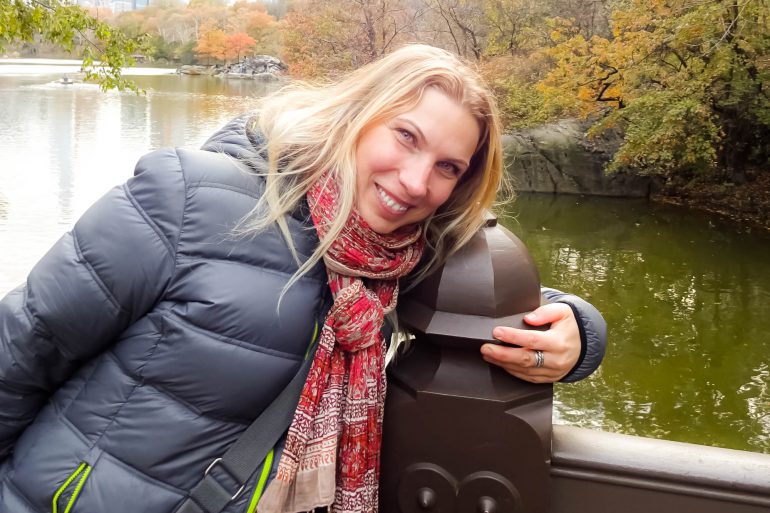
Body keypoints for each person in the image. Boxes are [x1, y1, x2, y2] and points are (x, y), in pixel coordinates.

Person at [0, 44, 605, 513]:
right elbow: (23, 348)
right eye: (405, 136)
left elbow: (481, 303)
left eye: (447, 167)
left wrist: (578, 331)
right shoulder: (187, 201)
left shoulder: (392, 262)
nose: (417, 181)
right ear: (357, 115)